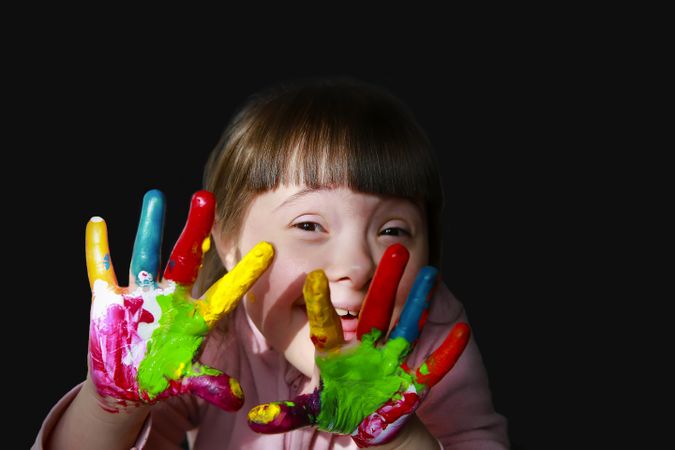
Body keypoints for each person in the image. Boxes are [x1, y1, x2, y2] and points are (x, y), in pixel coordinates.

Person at [34, 77, 509, 449]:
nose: (359, 265)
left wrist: (398, 438)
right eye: (309, 225)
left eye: (392, 231)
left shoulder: (432, 346)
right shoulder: (201, 340)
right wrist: (111, 406)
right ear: (229, 246)